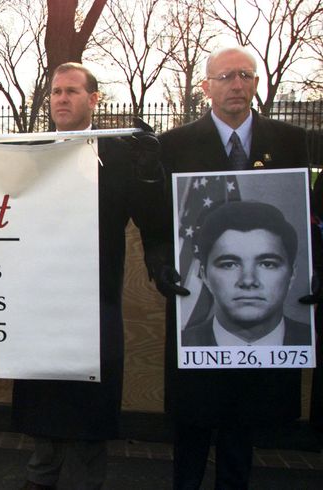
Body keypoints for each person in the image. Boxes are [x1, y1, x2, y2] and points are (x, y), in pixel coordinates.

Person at [157, 46, 311, 490]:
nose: (237, 85)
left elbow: (308, 213)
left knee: (243, 420)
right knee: (193, 418)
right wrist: (160, 261)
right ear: (206, 87)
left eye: (245, 75)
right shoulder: (174, 144)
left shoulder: (288, 140)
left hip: (258, 333)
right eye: (226, 77)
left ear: (257, 83)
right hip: (195, 310)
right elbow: (155, 218)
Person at [11, 63, 167, 490]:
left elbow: (150, 216)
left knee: (89, 417)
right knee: (44, 417)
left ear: (94, 99)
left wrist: (152, 176)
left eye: (72, 91)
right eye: (56, 92)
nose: (62, 98)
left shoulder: (117, 152)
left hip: (97, 300)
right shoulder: (32, 149)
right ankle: (39, 481)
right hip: (41, 301)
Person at [182, 200, 311, 347]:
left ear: (292, 274)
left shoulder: (314, 341)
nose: (248, 281)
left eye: (267, 264)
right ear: (204, 276)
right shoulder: (181, 345)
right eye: (229, 265)